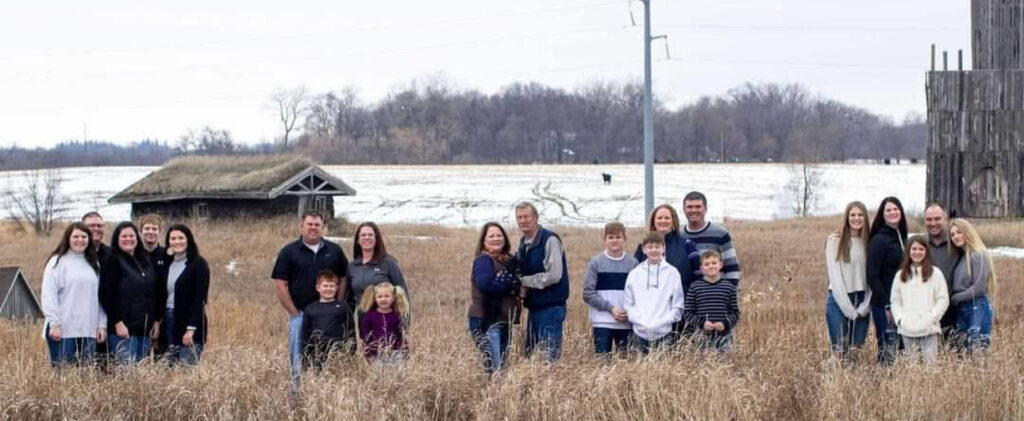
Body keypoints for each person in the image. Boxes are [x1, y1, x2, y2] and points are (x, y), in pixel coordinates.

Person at [272, 210, 349, 382]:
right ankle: (297, 396)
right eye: (309, 224)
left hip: (329, 314)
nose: (313, 228)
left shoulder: (334, 250)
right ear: (301, 227)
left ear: (323, 228)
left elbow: (343, 278)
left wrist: (339, 303)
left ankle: (325, 393)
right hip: (301, 315)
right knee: (299, 357)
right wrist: (293, 312)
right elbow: (280, 284)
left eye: (317, 225)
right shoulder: (288, 252)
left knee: (329, 356)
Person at [41, 222, 107, 367]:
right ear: (68, 238)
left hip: (88, 329)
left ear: (89, 239)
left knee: (86, 379)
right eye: (75, 236)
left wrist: (101, 324)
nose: (80, 240)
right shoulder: (57, 262)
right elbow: (48, 295)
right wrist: (55, 323)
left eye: (84, 236)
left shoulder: (94, 263)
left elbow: (99, 297)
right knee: (64, 378)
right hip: (63, 329)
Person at [98, 222, 163, 365]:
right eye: (124, 236)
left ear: (137, 238)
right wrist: (117, 322)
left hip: (144, 329)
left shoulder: (144, 260)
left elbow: (154, 292)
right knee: (126, 375)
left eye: (131, 236)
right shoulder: (112, 261)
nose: (128, 239)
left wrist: (155, 321)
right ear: (117, 239)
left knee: (141, 374)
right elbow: (107, 295)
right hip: (123, 329)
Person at [515, 202, 570, 362]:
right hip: (534, 308)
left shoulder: (549, 239)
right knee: (531, 357)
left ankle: (551, 387)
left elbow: (554, 275)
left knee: (549, 359)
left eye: (526, 217)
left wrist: (525, 282)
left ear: (536, 218)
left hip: (551, 308)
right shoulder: (523, 243)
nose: (523, 221)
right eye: (519, 217)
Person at [468, 222, 521, 375]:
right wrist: (509, 285)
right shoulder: (484, 260)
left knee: (501, 370)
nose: (496, 238)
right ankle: (491, 398)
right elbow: (484, 285)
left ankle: (499, 398)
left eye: (499, 235)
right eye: (491, 236)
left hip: (503, 320)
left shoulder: (506, 261)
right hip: (486, 320)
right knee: (494, 370)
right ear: (483, 241)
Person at [824, 201, 872, 359]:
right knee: (839, 350)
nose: (856, 218)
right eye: (853, 215)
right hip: (839, 300)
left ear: (865, 218)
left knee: (855, 353)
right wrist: (849, 309)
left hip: (862, 300)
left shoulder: (869, 242)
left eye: (860, 215)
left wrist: (865, 306)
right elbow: (835, 278)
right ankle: (834, 382)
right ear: (847, 217)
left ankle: (851, 383)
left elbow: (872, 277)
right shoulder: (834, 241)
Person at [890, 236, 949, 364]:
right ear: (908, 251)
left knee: (930, 368)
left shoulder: (935, 273)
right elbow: (895, 300)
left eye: (921, 249)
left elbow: (943, 299)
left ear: (926, 251)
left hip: (929, 329)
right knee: (913, 368)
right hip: (908, 329)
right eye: (914, 249)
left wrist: (932, 317)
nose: (917, 252)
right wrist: (900, 319)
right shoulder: (900, 275)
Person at [623, 233, 685, 353]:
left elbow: (678, 305)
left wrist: (661, 323)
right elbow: (628, 304)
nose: (654, 250)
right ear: (643, 249)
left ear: (664, 248)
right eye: (650, 247)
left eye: (657, 247)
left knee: (664, 371)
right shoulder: (635, 273)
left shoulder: (672, 273)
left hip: (664, 333)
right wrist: (641, 322)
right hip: (639, 332)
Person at [583, 222, 637, 356]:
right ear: (604, 239)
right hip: (602, 322)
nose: (614, 240)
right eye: (611, 237)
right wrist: (610, 308)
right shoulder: (596, 263)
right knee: (602, 363)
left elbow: (637, 293)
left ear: (625, 238)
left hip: (625, 322)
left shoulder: (633, 263)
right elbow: (588, 293)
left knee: (625, 364)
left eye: (618, 237)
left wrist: (629, 311)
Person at [160, 224, 210, 366]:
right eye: (173, 238)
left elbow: (200, 298)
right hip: (169, 321)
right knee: (169, 369)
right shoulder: (166, 263)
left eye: (181, 238)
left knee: (185, 369)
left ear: (188, 240)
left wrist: (191, 328)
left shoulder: (199, 264)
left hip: (189, 323)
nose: (177, 242)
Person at [866, 196, 908, 365]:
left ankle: (898, 388)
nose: (892, 212)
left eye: (895, 209)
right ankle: (882, 384)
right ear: (882, 215)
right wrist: (887, 305)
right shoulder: (879, 239)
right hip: (884, 305)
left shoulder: (902, 237)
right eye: (888, 210)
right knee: (887, 348)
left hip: (902, 303)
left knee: (901, 349)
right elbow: (872, 275)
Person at [948, 218, 997, 352]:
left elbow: (979, 288)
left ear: (967, 232)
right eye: (952, 234)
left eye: (959, 232)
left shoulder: (978, 254)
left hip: (977, 307)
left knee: (977, 354)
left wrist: (955, 298)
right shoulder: (962, 256)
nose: (955, 237)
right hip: (963, 308)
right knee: (964, 354)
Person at [632, 204, 702, 293]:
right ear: (653, 221)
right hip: (649, 304)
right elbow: (635, 278)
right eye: (659, 218)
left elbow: (700, 276)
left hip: (682, 303)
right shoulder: (642, 248)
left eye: (667, 218)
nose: (663, 221)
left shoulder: (687, 245)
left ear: (673, 221)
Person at [680, 192, 741, 288]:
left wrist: (728, 294)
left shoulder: (720, 234)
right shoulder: (679, 236)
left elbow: (732, 269)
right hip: (687, 297)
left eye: (698, 206)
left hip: (715, 295)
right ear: (684, 210)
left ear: (705, 209)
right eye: (690, 207)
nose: (694, 210)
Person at [683, 249, 740, 352]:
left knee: (725, 364)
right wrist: (702, 324)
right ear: (701, 268)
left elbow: (735, 313)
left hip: (724, 336)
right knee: (703, 364)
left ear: (720, 264)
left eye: (714, 263)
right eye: (707, 264)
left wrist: (725, 324)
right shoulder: (695, 287)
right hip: (702, 336)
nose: (711, 266)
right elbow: (688, 313)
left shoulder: (729, 287)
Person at [300, 270, 356, 373]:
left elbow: (351, 330)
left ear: (337, 288)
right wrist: (305, 357)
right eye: (325, 286)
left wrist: (350, 351)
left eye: (332, 286)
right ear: (318, 288)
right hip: (317, 354)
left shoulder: (343, 307)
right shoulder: (310, 309)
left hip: (338, 353)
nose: (328, 289)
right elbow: (305, 335)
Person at [347, 222, 410, 310]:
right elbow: (349, 299)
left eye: (370, 235)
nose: (367, 238)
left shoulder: (388, 262)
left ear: (376, 238)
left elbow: (402, 293)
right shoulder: (352, 266)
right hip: (364, 319)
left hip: (387, 318)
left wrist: (404, 321)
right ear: (358, 240)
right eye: (363, 235)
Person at [924, 202, 961, 344]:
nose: (933, 223)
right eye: (929, 219)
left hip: (953, 310)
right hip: (926, 310)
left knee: (953, 353)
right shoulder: (919, 245)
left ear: (946, 220)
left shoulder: (957, 243)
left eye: (937, 219)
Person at [359, 282, 409, 363]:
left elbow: (402, 336)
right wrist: (368, 354)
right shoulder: (369, 316)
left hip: (396, 353)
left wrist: (405, 352)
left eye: (387, 296)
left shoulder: (397, 316)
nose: (383, 299)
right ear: (375, 298)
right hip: (376, 354)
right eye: (380, 297)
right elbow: (366, 336)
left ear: (393, 298)